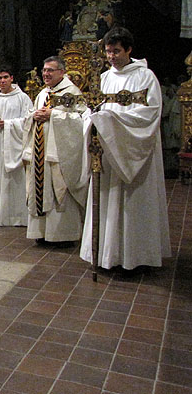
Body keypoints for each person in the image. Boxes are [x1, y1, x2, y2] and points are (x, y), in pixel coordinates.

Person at [80, 27, 171, 271]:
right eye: (108, 51)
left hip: (134, 149)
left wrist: (112, 122)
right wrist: (93, 120)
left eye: (116, 51)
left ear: (129, 50)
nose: (111, 56)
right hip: (108, 150)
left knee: (134, 202)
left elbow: (151, 113)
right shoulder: (104, 77)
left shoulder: (145, 76)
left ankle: (136, 257)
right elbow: (92, 108)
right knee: (107, 200)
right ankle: (107, 255)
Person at [22, 56, 87, 245]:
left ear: (62, 72)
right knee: (39, 189)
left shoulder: (72, 92)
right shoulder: (43, 93)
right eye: (44, 70)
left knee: (59, 189)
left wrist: (54, 115)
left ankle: (62, 236)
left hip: (59, 154)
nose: (46, 74)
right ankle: (41, 233)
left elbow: (81, 120)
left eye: (50, 70)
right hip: (39, 153)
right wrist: (34, 116)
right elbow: (30, 116)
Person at [0, 67, 33, 226]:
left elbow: (28, 120)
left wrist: (8, 124)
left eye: (5, 77)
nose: (2, 81)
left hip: (14, 144)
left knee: (15, 180)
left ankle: (17, 217)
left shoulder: (22, 98)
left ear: (11, 78)